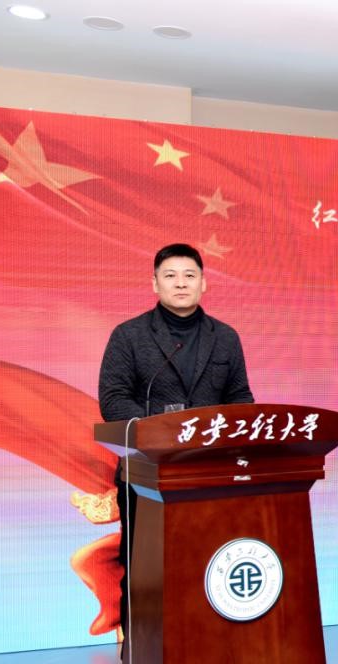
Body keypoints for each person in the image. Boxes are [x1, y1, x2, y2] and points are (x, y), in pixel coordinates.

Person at [98, 243, 254, 638]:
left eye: (189, 275)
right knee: (143, 565)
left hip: (209, 474)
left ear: (204, 283)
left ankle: (206, 642)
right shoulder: (128, 336)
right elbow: (113, 400)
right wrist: (164, 431)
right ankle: (138, 651)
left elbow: (240, 398)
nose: (180, 283)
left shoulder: (225, 338)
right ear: (155, 284)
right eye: (170, 276)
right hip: (145, 475)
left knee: (207, 561)